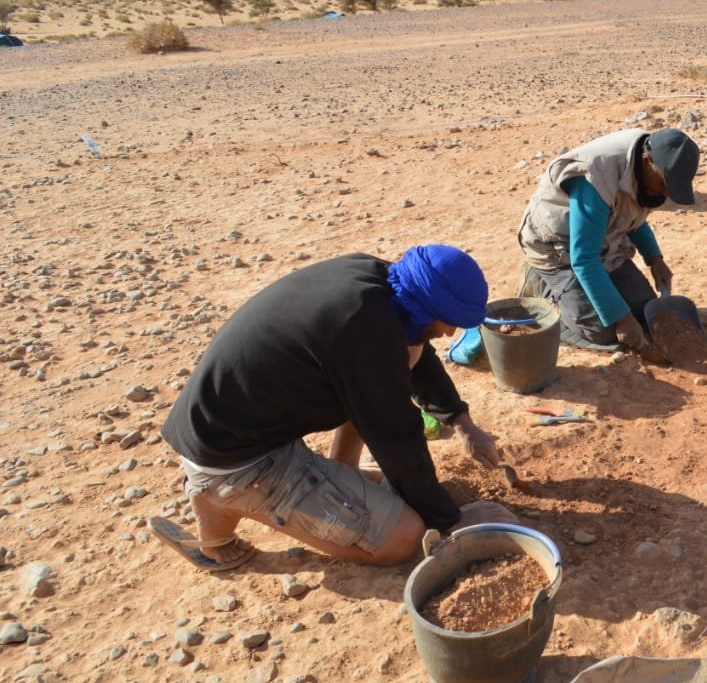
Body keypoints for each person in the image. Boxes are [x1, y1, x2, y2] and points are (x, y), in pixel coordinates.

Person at [154, 245, 515, 572]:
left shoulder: (383, 283)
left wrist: (460, 420)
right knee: (404, 538)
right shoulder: (362, 333)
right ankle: (221, 502)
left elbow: (416, 354)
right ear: (426, 305)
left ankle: (342, 475)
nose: (452, 332)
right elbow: (395, 437)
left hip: (233, 424)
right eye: (449, 320)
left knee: (400, 358)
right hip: (237, 461)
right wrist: (449, 521)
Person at [517, 127, 700, 351]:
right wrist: (621, 319)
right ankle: (540, 286)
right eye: (664, 184)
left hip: (604, 240)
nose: (666, 194)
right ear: (647, 160)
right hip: (557, 248)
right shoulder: (597, 179)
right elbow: (583, 259)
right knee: (604, 331)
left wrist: (655, 258)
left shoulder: (645, 163)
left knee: (644, 314)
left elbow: (631, 213)